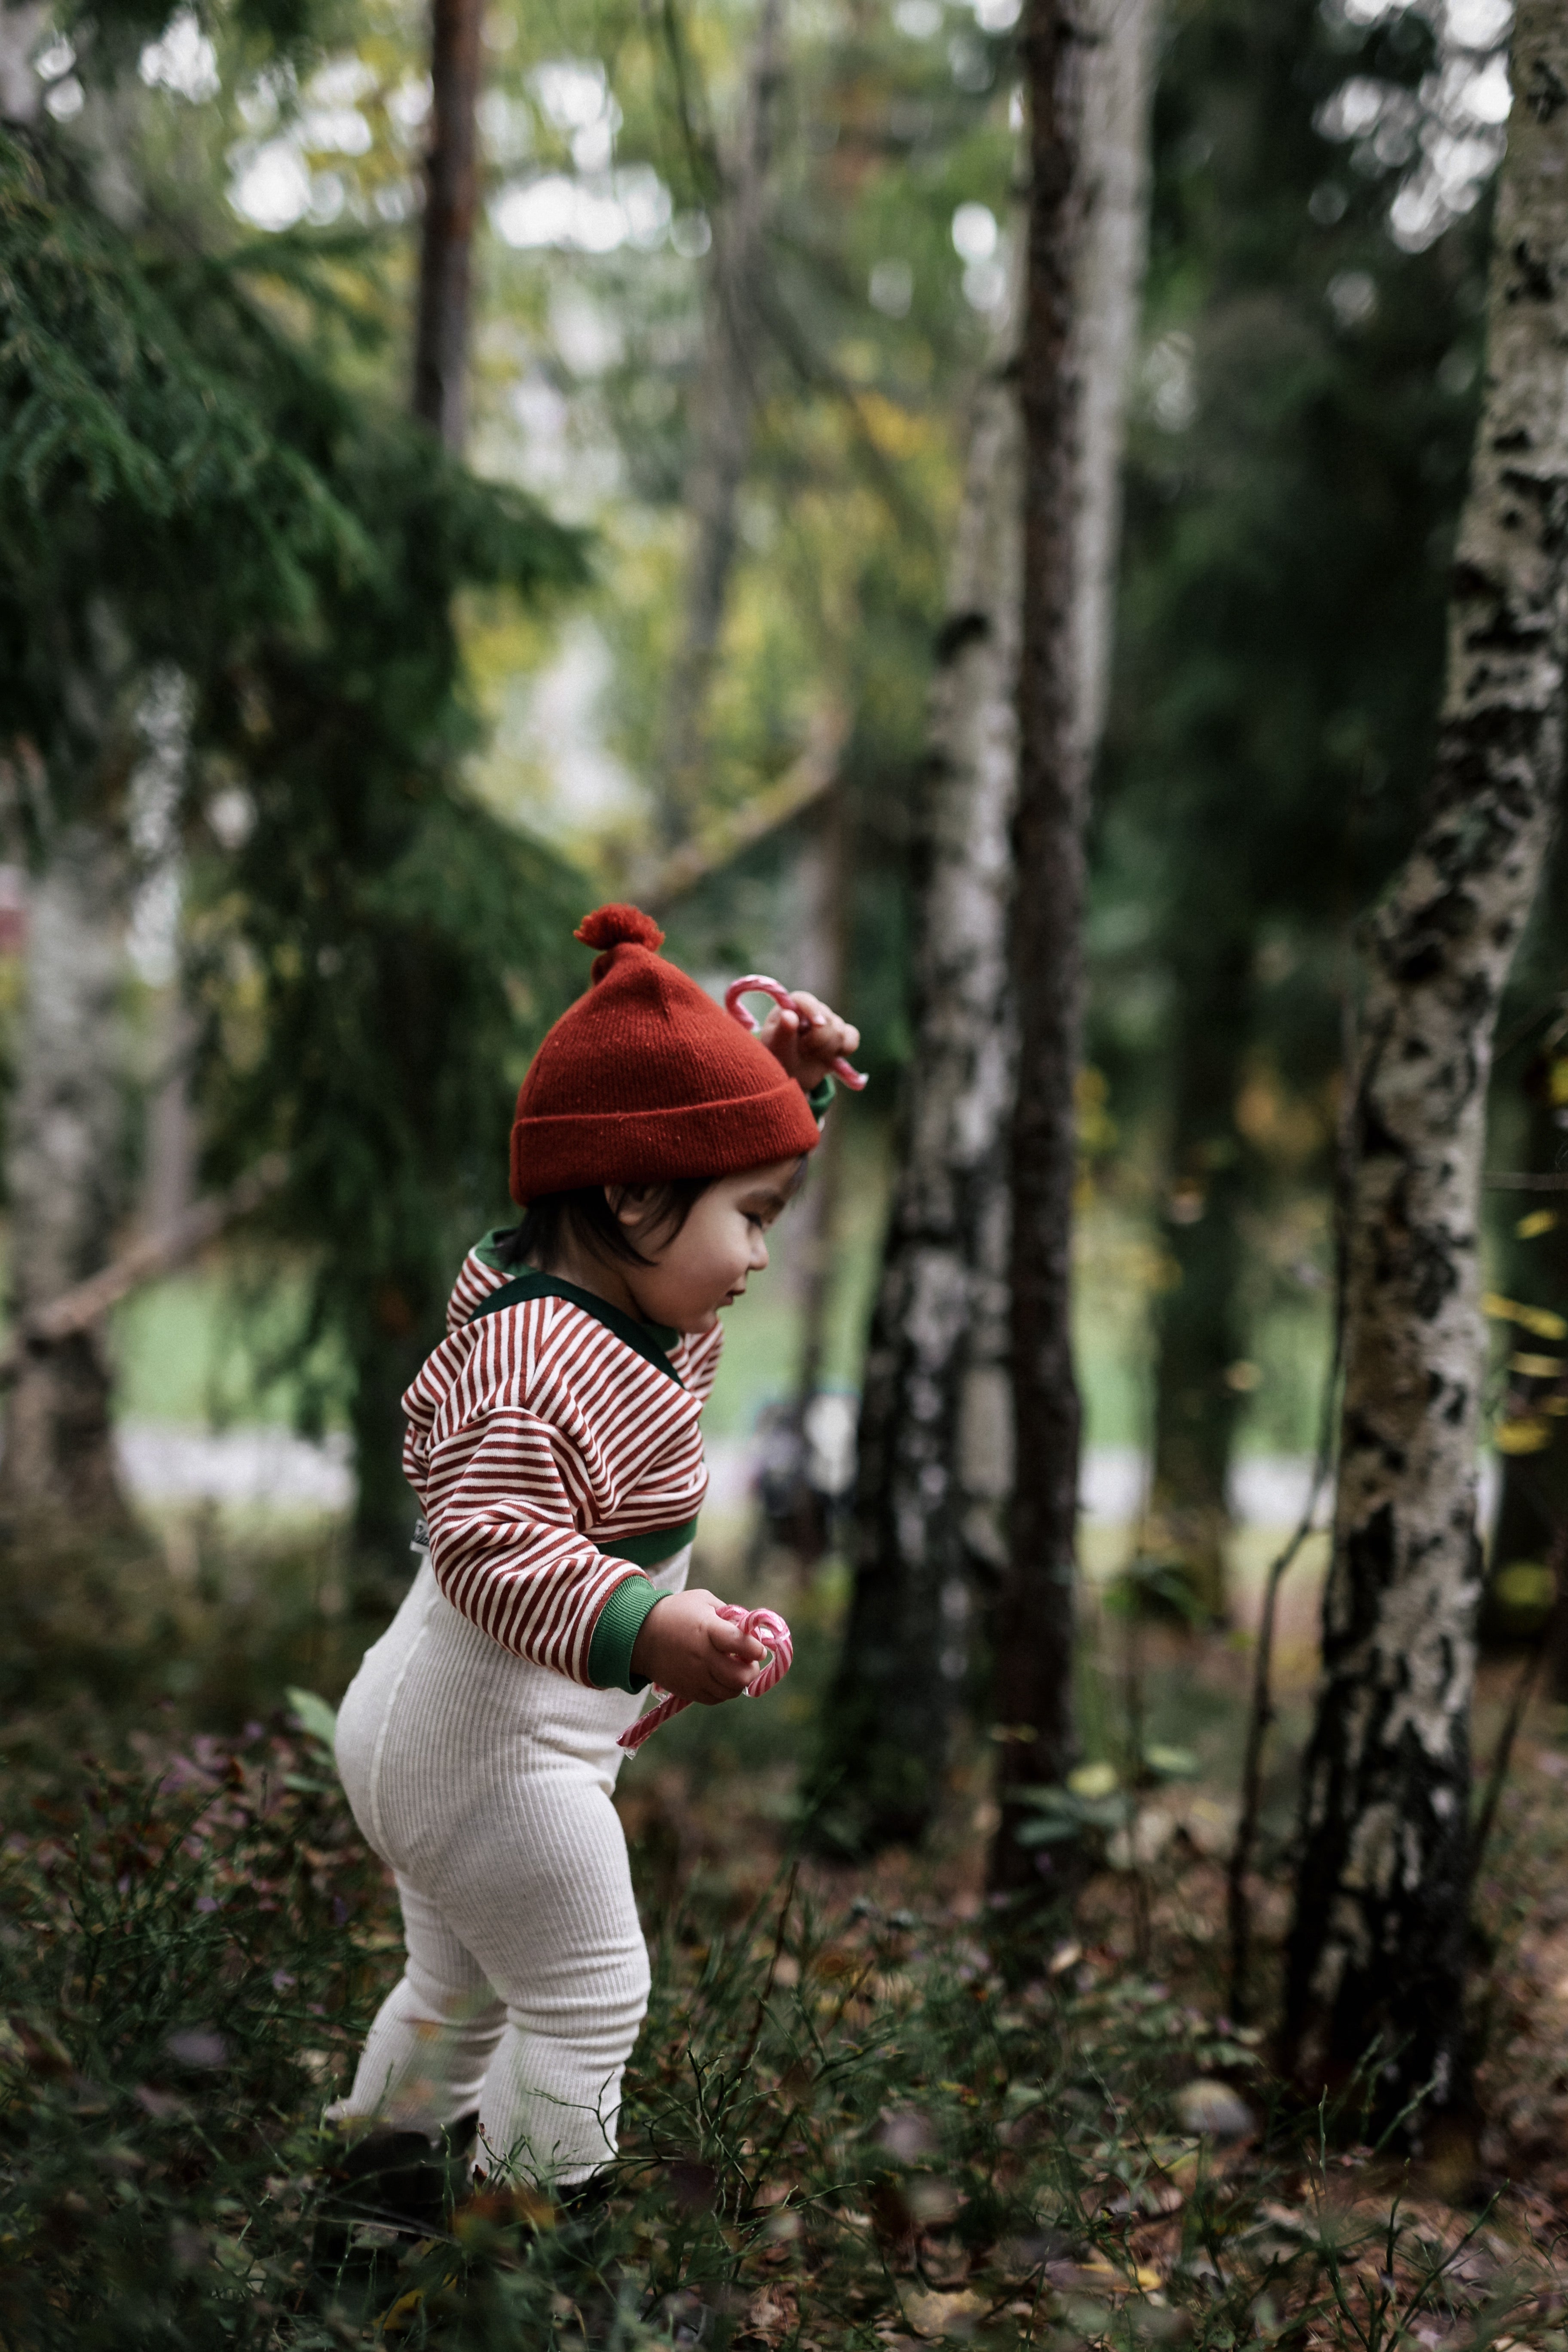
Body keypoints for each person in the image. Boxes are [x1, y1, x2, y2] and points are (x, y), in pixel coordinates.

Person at [326, 902, 859, 2228]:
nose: (760, 1251)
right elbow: (492, 1543)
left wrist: (776, 1094)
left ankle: (372, 2222)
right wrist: (646, 1627)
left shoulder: (599, 1310)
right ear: (629, 1193)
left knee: (456, 1995)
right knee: (588, 1995)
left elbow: (687, 1256)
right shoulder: (531, 1368)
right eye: (751, 1215)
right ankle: (526, 2254)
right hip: (489, 1753)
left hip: (444, 1732)